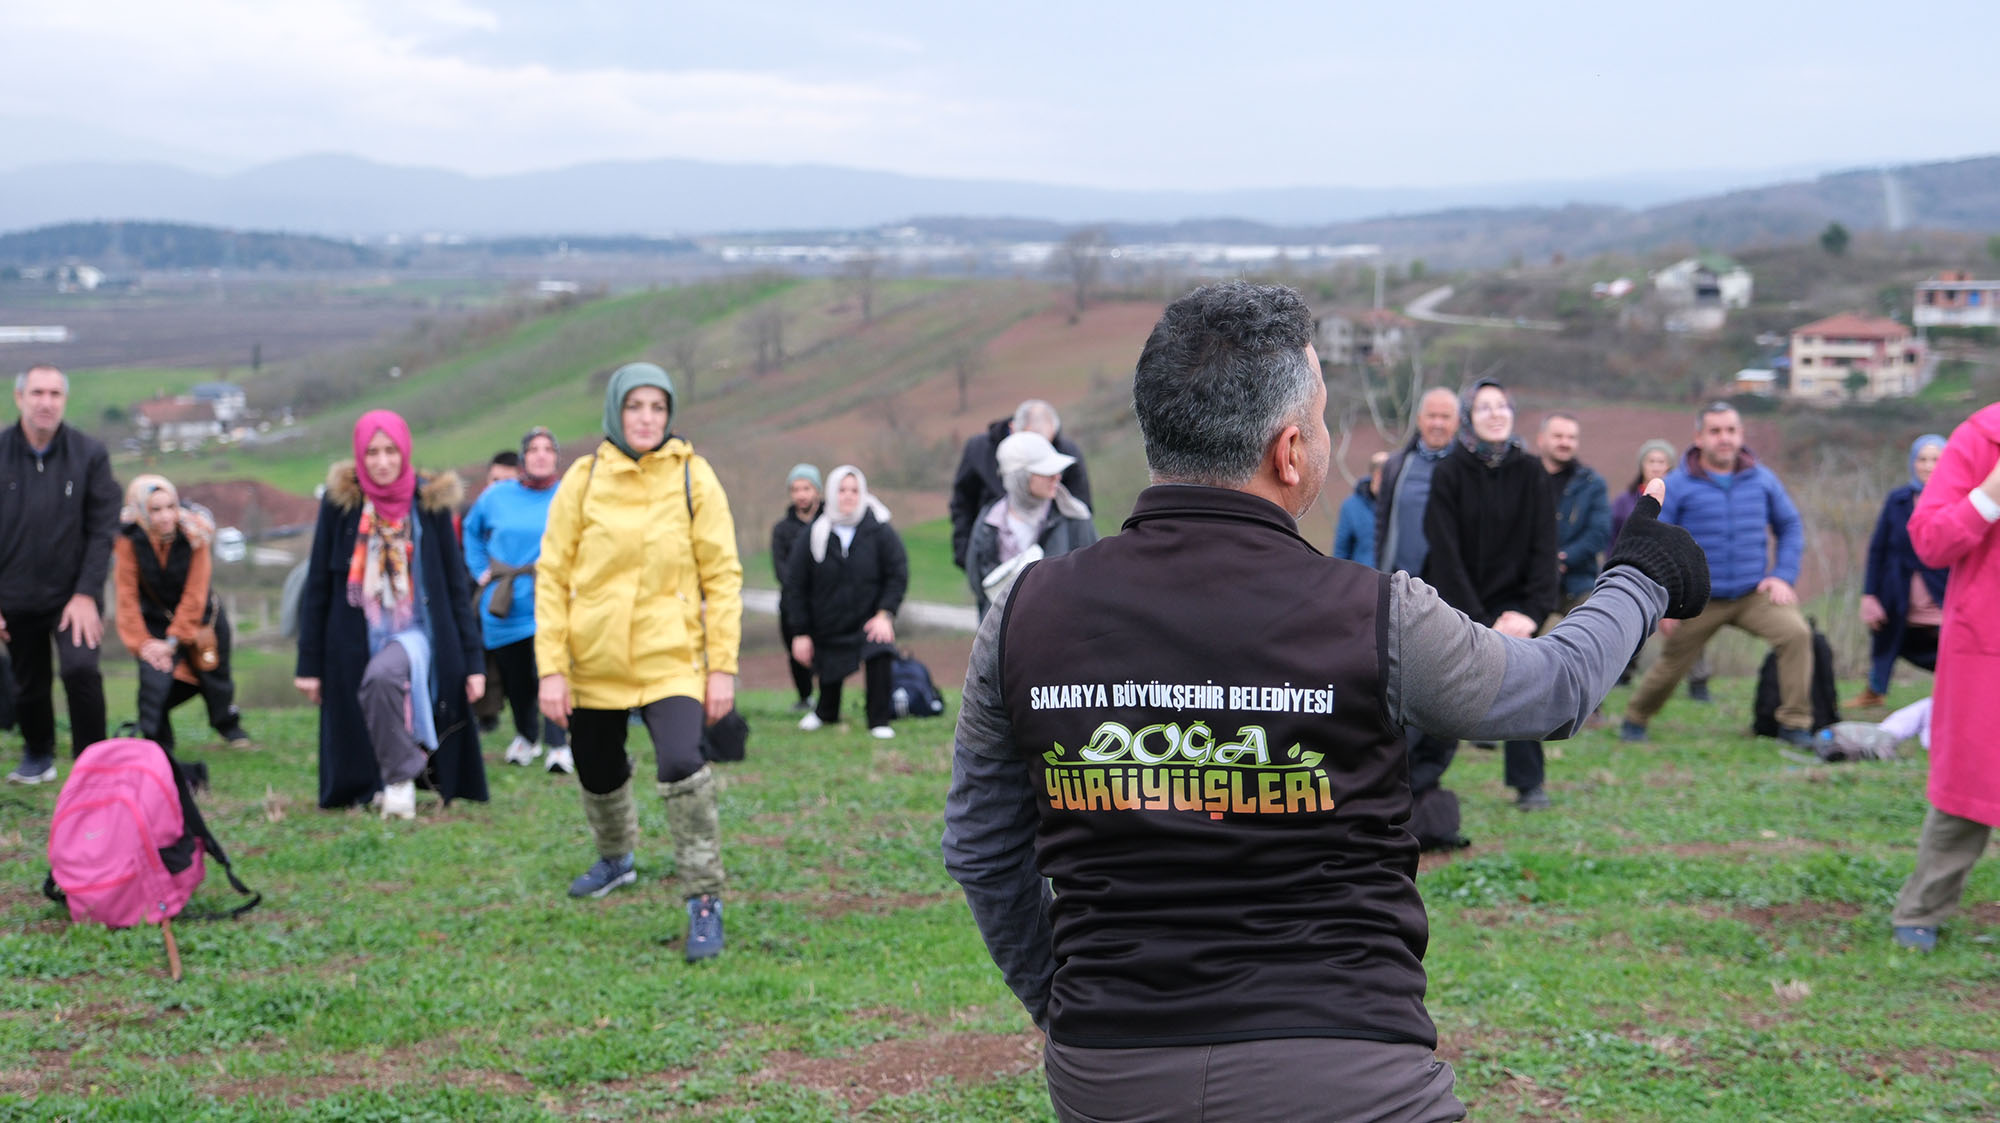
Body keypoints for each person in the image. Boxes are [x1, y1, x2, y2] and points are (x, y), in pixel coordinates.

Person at [941, 281, 1707, 1123]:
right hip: (1346, 1073)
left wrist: (1071, 1007)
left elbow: (983, 848)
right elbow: (1554, 689)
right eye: (1326, 417)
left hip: (1107, 1068)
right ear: (1291, 450)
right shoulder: (1376, 614)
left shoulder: (1022, 614)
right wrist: (1640, 575)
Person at [536, 362, 740, 962]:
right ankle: (616, 856)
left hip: (670, 658)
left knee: (681, 764)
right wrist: (552, 667)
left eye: (657, 406)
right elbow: (551, 576)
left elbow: (723, 576)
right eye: (635, 407)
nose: (647, 418)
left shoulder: (693, 477)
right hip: (593, 662)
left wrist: (721, 667)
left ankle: (704, 898)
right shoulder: (584, 477)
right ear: (615, 412)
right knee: (597, 768)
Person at [294, 410, 489, 818]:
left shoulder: (429, 504)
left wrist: (473, 663)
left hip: (416, 631)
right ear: (359, 458)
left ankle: (402, 777)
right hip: (353, 632)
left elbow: (455, 587)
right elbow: (318, 585)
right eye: (372, 453)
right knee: (363, 702)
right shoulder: (341, 506)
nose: (382, 462)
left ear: (405, 452)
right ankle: (373, 783)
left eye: (390, 452)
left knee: (382, 678)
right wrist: (309, 665)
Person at [1620, 403, 1813, 747]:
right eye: (1715, 431)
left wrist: (1783, 575)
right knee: (1673, 664)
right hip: (1698, 600)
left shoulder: (1763, 480)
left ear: (1740, 434)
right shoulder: (1678, 485)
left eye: (1731, 430)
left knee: (1796, 634)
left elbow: (1790, 525)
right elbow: (1657, 541)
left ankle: (1795, 724)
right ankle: (1635, 719)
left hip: (1753, 593)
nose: (1724, 438)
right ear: (1699, 437)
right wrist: (1666, 601)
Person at [1889, 400, 2000, 952]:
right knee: (1969, 784)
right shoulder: (1980, 439)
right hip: (1989, 642)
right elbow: (1930, 540)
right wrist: (1989, 496)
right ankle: (1924, 907)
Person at [1420, 380, 1560, 810]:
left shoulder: (1532, 472)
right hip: (1457, 603)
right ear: (1470, 418)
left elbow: (1544, 548)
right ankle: (1417, 779)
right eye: (1485, 407)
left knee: (1525, 688)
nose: (1496, 414)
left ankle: (1528, 784)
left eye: (1502, 406)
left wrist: (1531, 613)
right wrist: (1477, 618)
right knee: (1435, 693)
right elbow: (1444, 552)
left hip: (1516, 609)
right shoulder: (1449, 472)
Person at [2, 364, 118, 785]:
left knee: (80, 669)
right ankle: (38, 755)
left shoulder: (89, 455)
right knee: (28, 682)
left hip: (74, 594)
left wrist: (87, 593)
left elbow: (103, 529)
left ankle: (94, 762)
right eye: (37, 393)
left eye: (54, 394)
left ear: (64, 400)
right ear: (19, 398)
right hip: (13, 593)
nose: (46, 402)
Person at [113, 475, 251, 753]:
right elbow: (125, 596)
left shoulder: (195, 533)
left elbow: (195, 593)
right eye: (155, 509)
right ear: (141, 510)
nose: (165, 516)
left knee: (215, 677)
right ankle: (156, 743)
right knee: (154, 682)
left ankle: (227, 724)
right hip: (154, 626)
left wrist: (173, 642)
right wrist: (144, 644)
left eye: (170, 506)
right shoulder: (128, 539)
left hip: (201, 621)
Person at [463, 427, 571, 771]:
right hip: (504, 602)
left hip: (551, 600)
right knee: (518, 680)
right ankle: (527, 736)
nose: (541, 455)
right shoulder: (497, 496)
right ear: (523, 457)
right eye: (534, 449)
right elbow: (471, 530)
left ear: (555, 456)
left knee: (551, 672)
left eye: (548, 449)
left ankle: (559, 745)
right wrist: (479, 567)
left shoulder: (568, 494)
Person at [782, 466, 908, 739]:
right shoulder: (814, 534)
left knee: (880, 646)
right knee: (829, 666)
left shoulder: (879, 530)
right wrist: (801, 632)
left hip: (869, 621)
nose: (848, 496)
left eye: (854, 490)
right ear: (831, 493)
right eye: (842, 490)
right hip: (827, 623)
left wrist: (885, 613)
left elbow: (898, 573)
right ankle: (825, 712)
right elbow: (794, 585)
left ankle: (878, 719)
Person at [1849, 435, 1949, 710]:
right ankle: (1875, 691)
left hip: (1943, 596)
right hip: (1897, 594)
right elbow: (1878, 549)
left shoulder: (1957, 501)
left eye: (1935, 459)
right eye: (1922, 459)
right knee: (1886, 640)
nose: (1928, 466)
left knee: (1951, 651)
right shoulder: (1898, 500)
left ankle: (1957, 693)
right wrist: (1869, 595)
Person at [1613, 438, 1712, 698]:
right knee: (1631, 625)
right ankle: (1622, 674)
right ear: (1642, 465)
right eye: (1651, 461)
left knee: (1688, 627)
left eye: (1662, 462)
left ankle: (1698, 681)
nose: (1656, 466)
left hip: (1674, 573)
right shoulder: (1624, 502)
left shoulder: (1682, 499)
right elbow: (1614, 538)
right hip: (1635, 572)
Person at [966, 431, 1097, 619]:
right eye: (1047, 471)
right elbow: (978, 583)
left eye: (1057, 470)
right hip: (1002, 635)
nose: (1057, 477)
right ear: (1019, 477)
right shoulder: (989, 521)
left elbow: (1092, 579)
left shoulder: (1074, 517)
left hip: (1061, 634)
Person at [949, 399, 1092, 571]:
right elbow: (962, 503)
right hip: (991, 555)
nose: (1042, 447)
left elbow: (1081, 506)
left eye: (1048, 442)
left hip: (1054, 552)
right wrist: (968, 557)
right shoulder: (979, 449)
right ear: (1013, 428)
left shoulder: (1067, 451)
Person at [1373, 386, 1460, 578]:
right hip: (1402, 584)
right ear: (1419, 420)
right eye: (1432, 416)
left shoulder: (1467, 470)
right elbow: (1381, 525)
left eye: (1445, 417)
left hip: (1452, 588)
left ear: (1457, 422)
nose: (1437, 423)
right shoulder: (1397, 466)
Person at [1538, 412, 1611, 616]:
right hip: (1527, 582)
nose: (1565, 443)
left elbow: (1599, 533)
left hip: (1576, 584)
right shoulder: (1522, 479)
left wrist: (1563, 558)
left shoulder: (1592, 484)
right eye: (1558, 436)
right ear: (1541, 439)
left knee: (1596, 628)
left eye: (1571, 438)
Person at [770, 464, 823, 713]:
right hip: (792, 603)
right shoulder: (781, 530)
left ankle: (827, 698)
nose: (801, 494)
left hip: (826, 602)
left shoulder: (829, 524)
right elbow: (782, 571)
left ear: (818, 491)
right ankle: (804, 697)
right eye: (795, 489)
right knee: (796, 652)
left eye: (806, 488)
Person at [1333, 451, 1387, 565]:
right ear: (1376, 474)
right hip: (1364, 578)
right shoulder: (1351, 507)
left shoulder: (1399, 503)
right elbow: (1341, 551)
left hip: (1396, 579)